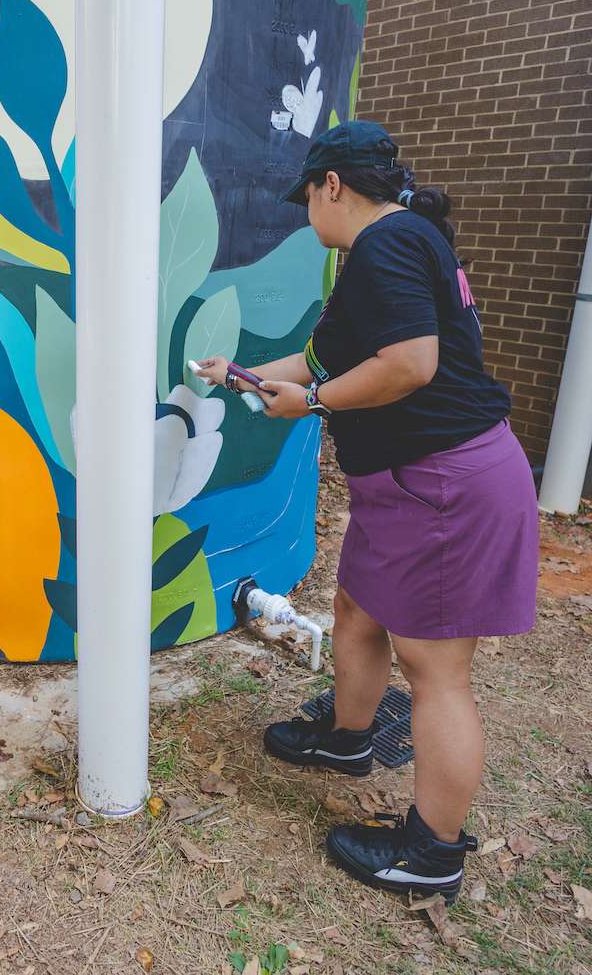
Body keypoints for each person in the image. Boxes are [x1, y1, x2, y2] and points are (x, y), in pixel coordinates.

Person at [195, 121, 538, 904]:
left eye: (306, 197)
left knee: (437, 671)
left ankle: (432, 852)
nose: (305, 214)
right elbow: (322, 362)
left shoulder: (387, 246)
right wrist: (238, 375)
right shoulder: (387, 251)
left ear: (333, 186)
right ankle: (348, 741)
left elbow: (409, 364)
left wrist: (310, 402)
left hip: (445, 482)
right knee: (356, 610)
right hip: (408, 484)